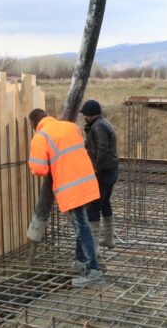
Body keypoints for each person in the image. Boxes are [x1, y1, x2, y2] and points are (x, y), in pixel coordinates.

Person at [27, 108, 104, 287]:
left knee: (82, 228)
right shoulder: (70, 126)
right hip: (87, 181)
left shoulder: (41, 137)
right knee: (81, 225)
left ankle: (94, 272)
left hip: (71, 188)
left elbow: (39, 169)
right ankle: (81, 261)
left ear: (33, 123)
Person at [80, 100, 119, 254]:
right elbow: (96, 145)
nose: (84, 117)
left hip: (104, 171)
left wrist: (95, 168)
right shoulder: (102, 123)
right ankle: (109, 240)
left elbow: (102, 149)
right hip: (111, 169)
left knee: (94, 206)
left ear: (91, 115)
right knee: (104, 203)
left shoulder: (99, 126)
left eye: (85, 115)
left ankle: (93, 249)